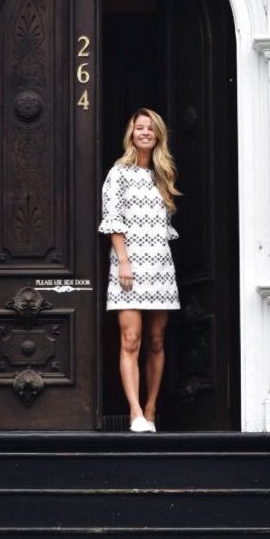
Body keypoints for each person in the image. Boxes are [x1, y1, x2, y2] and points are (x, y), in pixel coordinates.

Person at [99, 108, 181, 433]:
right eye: (139, 127)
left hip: (160, 267)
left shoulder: (163, 176)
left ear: (158, 134)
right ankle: (134, 412)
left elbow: (165, 227)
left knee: (157, 340)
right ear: (131, 134)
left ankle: (151, 409)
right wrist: (123, 261)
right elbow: (113, 220)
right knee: (130, 339)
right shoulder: (118, 173)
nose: (144, 132)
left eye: (150, 128)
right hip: (128, 268)